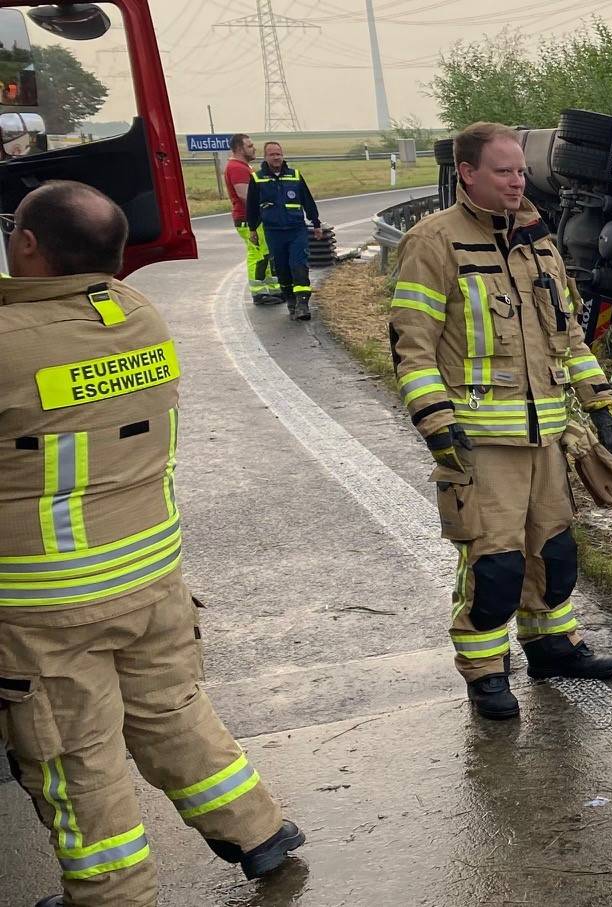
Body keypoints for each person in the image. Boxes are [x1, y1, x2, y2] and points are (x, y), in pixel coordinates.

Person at [0, 181, 304, 907]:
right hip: (151, 575)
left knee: (75, 755)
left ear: (32, 245)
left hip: (50, 599)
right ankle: (258, 831)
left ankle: (112, 894)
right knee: (171, 710)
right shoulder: (139, 315)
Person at [389, 122, 612, 720]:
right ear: (467, 173)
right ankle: (486, 674)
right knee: (495, 566)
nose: (518, 180)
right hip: (478, 441)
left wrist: (599, 402)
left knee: (554, 553)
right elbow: (411, 346)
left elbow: (568, 333)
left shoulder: (540, 242)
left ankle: (552, 646)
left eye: (520, 170)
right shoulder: (433, 242)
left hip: (545, 435)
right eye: (503, 171)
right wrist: (437, 423)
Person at [244, 141, 322, 321]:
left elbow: (308, 201)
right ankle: (291, 301)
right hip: (273, 232)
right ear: (266, 157)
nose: (276, 157)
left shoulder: (295, 176)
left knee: (299, 266)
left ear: (283, 155)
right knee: (282, 269)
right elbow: (252, 207)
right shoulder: (257, 179)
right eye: (272, 154)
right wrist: (252, 229)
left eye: (278, 154)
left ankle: (303, 304)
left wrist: (316, 223)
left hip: (296, 230)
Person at [224, 133, 277, 305]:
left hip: (252, 218)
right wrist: (266, 205)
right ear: (239, 149)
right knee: (258, 255)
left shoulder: (243, 166)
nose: (254, 149)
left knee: (266, 254)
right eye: (249, 146)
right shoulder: (237, 168)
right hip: (248, 219)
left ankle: (273, 289)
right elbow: (244, 195)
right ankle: (259, 293)